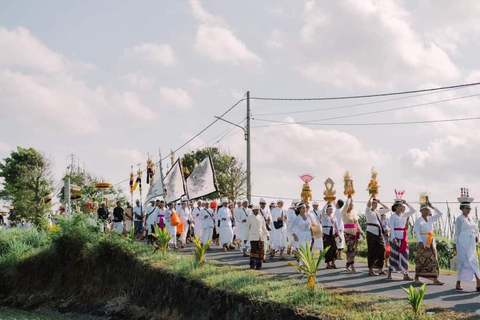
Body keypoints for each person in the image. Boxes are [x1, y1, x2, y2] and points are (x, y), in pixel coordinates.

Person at [413, 202, 444, 285]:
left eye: (428, 209)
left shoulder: (430, 219)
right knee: (421, 261)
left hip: (431, 242)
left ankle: (435, 278)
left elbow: (440, 214)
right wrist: (420, 242)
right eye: (425, 209)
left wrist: (432, 207)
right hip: (422, 242)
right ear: (421, 211)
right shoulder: (418, 220)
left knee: (434, 260)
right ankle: (417, 277)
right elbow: (417, 232)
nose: (427, 211)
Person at [454, 199, 480, 291]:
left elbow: (473, 229)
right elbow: (457, 232)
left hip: (471, 241)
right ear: (462, 209)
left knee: (474, 261)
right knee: (463, 262)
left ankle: (478, 283)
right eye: (466, 208)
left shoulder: (471, 218)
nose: (468, 210)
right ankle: (458, 282)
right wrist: (455, 244)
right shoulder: (459, 219)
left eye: (469, 209)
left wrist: (476, 236)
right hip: (462, 242)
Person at [388, 199, 416, 281]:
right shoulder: (392, 216)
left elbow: (413, 210)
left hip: (403, 238)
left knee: (405, 255)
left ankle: (405, 274)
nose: (401, 208)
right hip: (395, 237)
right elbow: (391, 228)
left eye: (402, 207)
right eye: (400, 206)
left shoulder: (404, 215)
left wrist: (406, 203)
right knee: (394, 255)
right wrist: (393, 238)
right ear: (395, 207)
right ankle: (390, 272)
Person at [365, 196, 389, 276]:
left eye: (375, 203)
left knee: (382, 248)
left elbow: (388, 209)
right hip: (371, 232)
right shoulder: (368, 211)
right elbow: (368, 204)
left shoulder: (378, 212)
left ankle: (380, 268)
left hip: (379, 232)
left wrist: (380, 202)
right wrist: (371, 197)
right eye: (373, 203)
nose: (375, 204)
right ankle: (370, 269)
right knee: (371, 250)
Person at [342, 196, 364, 274]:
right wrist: (349, 198)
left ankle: (347, 264)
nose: (350, 206)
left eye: (352, 205)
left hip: (355, 233)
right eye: (349, 205)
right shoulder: (344, 213)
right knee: (351, 249)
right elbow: (345, 205)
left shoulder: (354, 214)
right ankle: (352, 268)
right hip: (348, 234)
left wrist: (361, 232)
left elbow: (357, 224)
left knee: (353, 250)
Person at [244, 205, 269, 270]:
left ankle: (258, 266)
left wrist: (267, 234)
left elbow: (264, 227)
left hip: (260, 237)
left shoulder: (261, 217)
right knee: (254, 251)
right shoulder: (250, 217)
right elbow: (247, 228)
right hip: (253, 237)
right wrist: (245, 238)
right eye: (256, 210)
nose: (257, 211)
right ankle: (252, 265)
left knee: (260, 252)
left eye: (258, 210)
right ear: (253, 211)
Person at [321, 202, 340, 269]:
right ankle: (328, 264)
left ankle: (333, 262)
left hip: (333, 234)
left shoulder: (334, 217)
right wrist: (327, 203)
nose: (330, 211)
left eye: (331, 209)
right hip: (326, 234)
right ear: (327, 210)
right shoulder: (324, 216)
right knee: (327, 249)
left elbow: (337, 227)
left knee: (334, 249)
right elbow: (323, 210)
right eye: (329, 209)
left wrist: (339, 236)